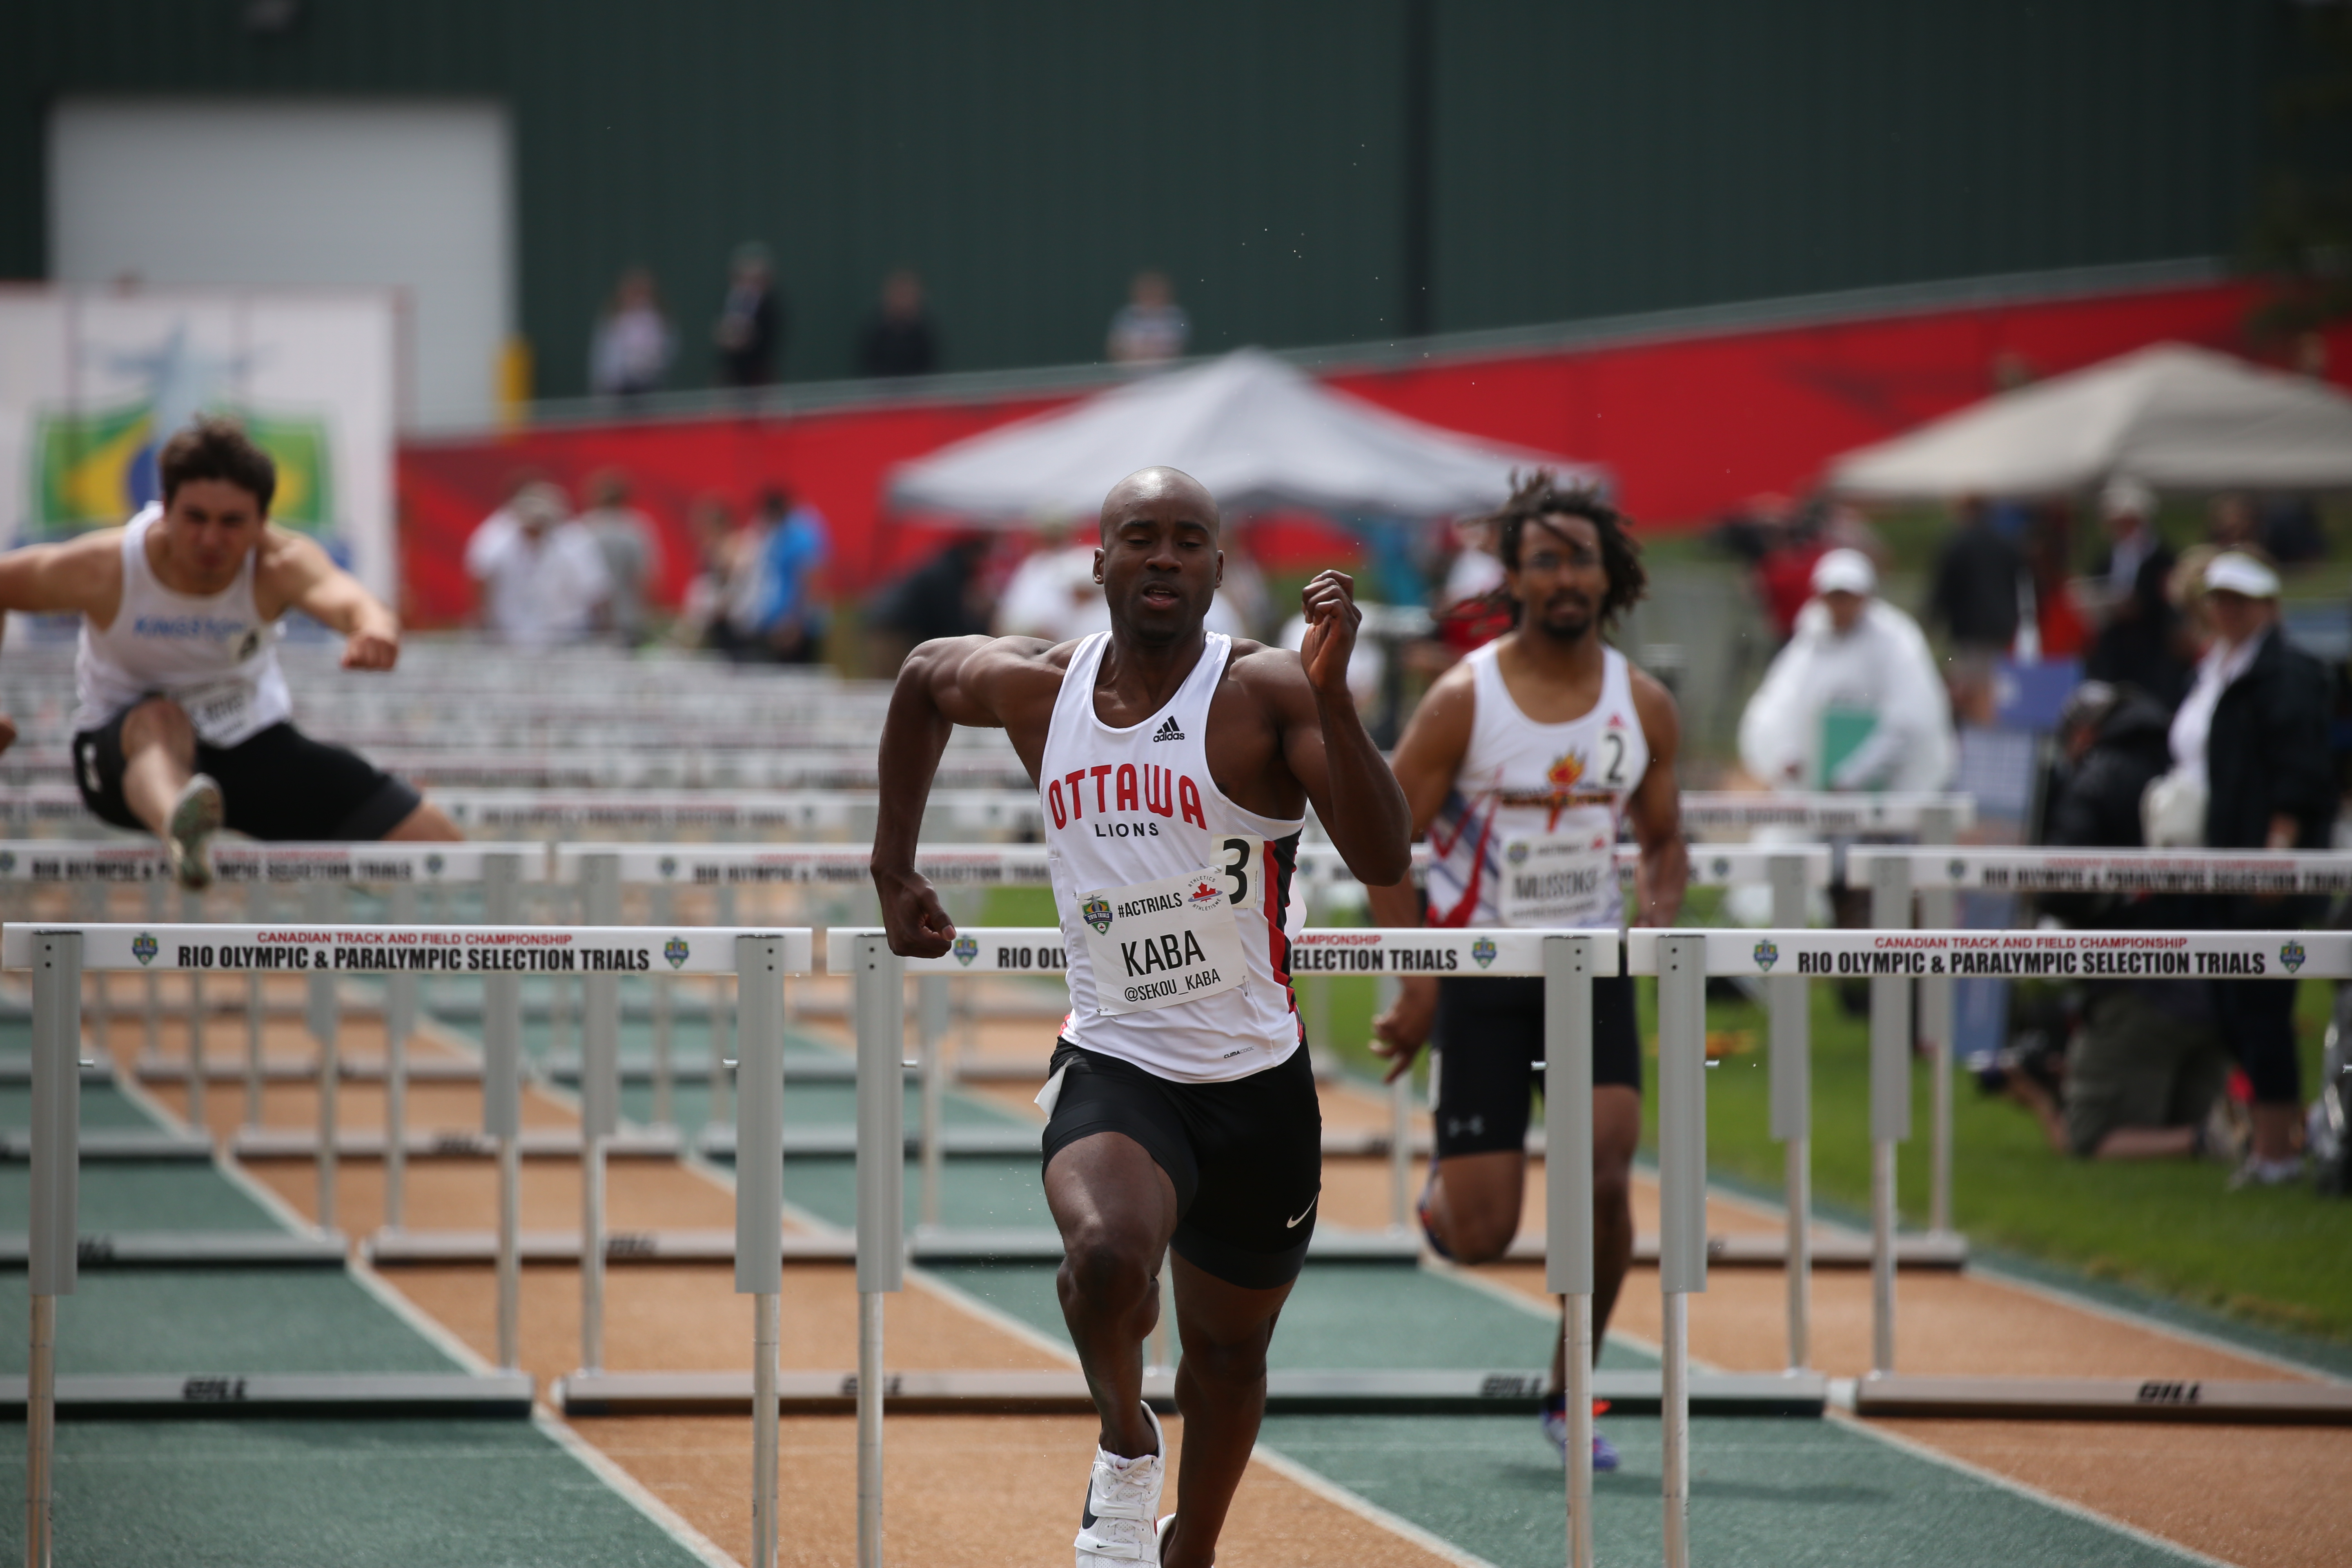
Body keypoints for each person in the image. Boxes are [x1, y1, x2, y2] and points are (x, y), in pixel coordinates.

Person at [871, 467, 1410, 1568]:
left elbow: (1386, 854)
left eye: (1188, 541)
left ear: (1219, 569)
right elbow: (925, 677)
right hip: (1118, 1061)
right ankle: (1125, 1450)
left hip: (1257, 1080)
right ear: (1098, 562)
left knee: (1227, 1358)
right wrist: (891, 868)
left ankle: (1191, 1548)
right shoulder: (1045, 689)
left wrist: (1339, 698)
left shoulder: (1267, 691)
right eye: (1140, 538)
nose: (1163, 557)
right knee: (1109, 1261)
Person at [1365, 472, 1688, 1472]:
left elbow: (1665, 838)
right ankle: (1441, 1196)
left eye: (1577, 558)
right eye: (1542, 558)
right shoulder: (1465, 699)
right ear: (1510, 574)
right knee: (1479, 1234)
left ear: (1608, 575)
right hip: (1481, 969)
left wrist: (1658, 908)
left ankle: (1572, 1390)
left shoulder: (1641, 704)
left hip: (1589, 967)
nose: (1561, 576)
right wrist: (1416, 979)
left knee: (1600, 1169)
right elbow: (1384, 843)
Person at [0, 416, 459, 887]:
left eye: (232, 523)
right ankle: (182, 828)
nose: (211, 541)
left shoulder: (279, 563)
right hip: (123, 758)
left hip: (247, 745)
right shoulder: (106, 568)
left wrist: (374, 630)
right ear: (165, 511)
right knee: (159, 720)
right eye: (195, 518)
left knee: (442, 847)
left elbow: (350, 599)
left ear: (262, 523)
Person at [2004, 682, 2241, 1162]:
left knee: (2088, 1137)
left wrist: (2038, 1099)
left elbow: (2060, 887)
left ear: (2085, 735)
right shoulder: (2189, 764)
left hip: (2139, 988)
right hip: (2220, 983)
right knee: (2178, 1123)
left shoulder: (2098, 775)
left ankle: (2217, 1141)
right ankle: (2227, 1137)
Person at [2166, 550, 2337, 1186]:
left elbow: (2300, 771)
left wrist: (2278, 853)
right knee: (2230, 1005)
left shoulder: (2286, 674)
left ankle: (2279, 1150)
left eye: (2240, 601)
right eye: (2219, 600)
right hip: (2215, 855)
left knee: (2262, 1006)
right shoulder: (2214, 668)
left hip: (2264, 861)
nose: (2227, 612)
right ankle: (2277, 1139)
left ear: (2267, 606)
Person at [1738, 549, 1955, 793]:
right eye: (1834, 596)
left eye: (1847, 597)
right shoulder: (1811, 640)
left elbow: (1910, 717)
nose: (1840, 606)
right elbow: (1781, 705)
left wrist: (1855, 774)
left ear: (1865, 596)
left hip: (1889, 791)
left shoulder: (1895, 640)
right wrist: (1786, 755)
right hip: (1824, 792)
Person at [466, 481, 611, 648]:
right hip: (514, 633)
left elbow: (596, 590)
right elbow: (482, 575)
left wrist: (604, 633)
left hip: (568, 632)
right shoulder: (498, 539)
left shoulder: (574, 542)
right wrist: (484, 621)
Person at [2084, 478, 2187, 708]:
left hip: (2151, 648)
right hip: (2115, 650)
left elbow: (2168, 599)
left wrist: (2140, 604)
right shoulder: (2107, 558)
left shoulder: (2162, 557)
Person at [576, 470, 667, 646]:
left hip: (592, 620)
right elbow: (647, 577)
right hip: (629, 616)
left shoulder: (584, 528)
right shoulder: (636, 528)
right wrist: (649, 611)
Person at [588, 267, 675, 401]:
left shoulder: (656, 319)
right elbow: (604, 357)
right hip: (619, 388)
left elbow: (666, 350)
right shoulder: (613, 319)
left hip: (649, 385)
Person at [713, 242, 784, 388]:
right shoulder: (732, 301)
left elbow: (766, 339)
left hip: (757, 373)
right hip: (731, 373)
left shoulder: (769, 306)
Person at [856, 268, 940, 378]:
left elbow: (932, 368)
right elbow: (865, 367)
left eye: (907, 294)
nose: (903, 300)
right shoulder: (875, 331)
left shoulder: (925, 332)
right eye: (899, 294)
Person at [1107, 270, 1190, 365]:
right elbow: (1114, 349)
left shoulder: (1177, 316)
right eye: (1147, 288)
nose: (1152, 292)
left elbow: (1179, 350)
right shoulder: (1125, 315)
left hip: (1167, 374)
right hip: (1131, 372)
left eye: (1157, 288)